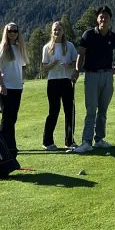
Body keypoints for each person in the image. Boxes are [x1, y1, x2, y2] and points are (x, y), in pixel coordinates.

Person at [70, 5, 115, 153]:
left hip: (107, 76)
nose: (103, 19)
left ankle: (99, 139)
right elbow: (81, 54)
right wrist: (77, 70)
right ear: (97, 19)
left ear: (110, 19)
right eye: (101, 17)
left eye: (106, 17)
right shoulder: (88, 35)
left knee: (103, 110)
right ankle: (86, 142)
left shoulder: (113, 37)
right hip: (91, 75)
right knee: (91, 109)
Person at [40, 21, 78, 150]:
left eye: (59, 29)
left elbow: (76, 62)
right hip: (53, 82)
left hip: (66, 81)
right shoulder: (47, 47)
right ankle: (47, 142)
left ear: (63, 31)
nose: (57, 32)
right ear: (52, 31)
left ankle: (69, 141)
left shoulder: (69, 46)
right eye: (55, 29)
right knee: (53, 112)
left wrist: (69, 65)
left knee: (69, 111)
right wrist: (53, 64)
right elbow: (45, 67)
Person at [0, 22, 28, 153]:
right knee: (7, 117)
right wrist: (2, 84)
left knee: (13, 117)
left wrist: (21, 81)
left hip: (17, 87)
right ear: (6, 33)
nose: (12, 33)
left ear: (18, 33)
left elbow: (21, 67)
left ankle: (11, 146)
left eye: (15, 31)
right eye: (10, 31)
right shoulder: (0, 48)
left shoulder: (20, 48)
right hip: (4, 87)